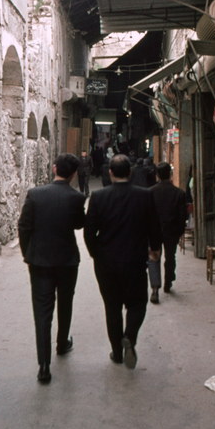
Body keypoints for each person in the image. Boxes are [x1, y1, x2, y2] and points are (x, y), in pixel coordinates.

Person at [84, 154, 161, 369]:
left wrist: (96, 254)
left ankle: (117, 353)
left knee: (112, 307)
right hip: (135, 260)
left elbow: (89, 232)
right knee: (137, 303)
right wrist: (154, 249)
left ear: (110, 173)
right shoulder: (144, 196)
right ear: (130, 172)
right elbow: (154, 227)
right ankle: (130, 336)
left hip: (106, 262)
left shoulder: (99, 197)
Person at [18, 153, 86, 384]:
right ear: (73, 174)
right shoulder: (77, 197)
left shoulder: (35, 194)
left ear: (54, 168)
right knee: (65, 303)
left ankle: (44, 365)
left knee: (42, 312)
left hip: (40, 261)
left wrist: (28, 253)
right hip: (67, 260)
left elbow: (24, 226)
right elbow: (79, 224)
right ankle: (62, 343)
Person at [147, 162, 188, 304]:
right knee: (170, 257)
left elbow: (146, 214)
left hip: (154, 231)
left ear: (157, 175)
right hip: (171, 231)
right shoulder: (179, 193)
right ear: (170, 174)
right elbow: (182, 216)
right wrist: (180, 231)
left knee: (154, 258)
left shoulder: (150, 192)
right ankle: (168, 281)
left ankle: (155, 289)